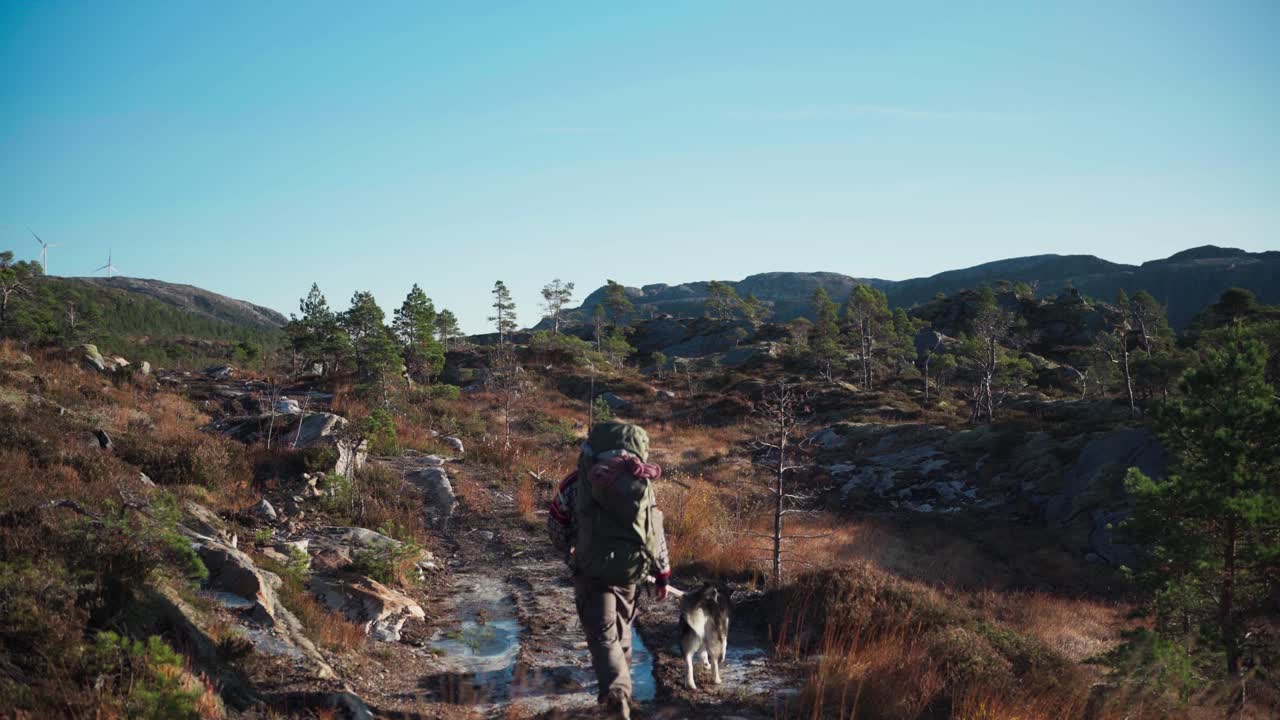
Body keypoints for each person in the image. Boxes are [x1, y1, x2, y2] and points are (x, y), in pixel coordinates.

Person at [548, 421, 670, 719]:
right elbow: (654, 530)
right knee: (622, 628)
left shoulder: (578, 481)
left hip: (590, 569)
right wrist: (662, 573)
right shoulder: (641, 482)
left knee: (603, 635)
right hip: (630, 570)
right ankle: (622, 686)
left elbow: (556, 523)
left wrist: (571, 550)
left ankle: (617, 694)